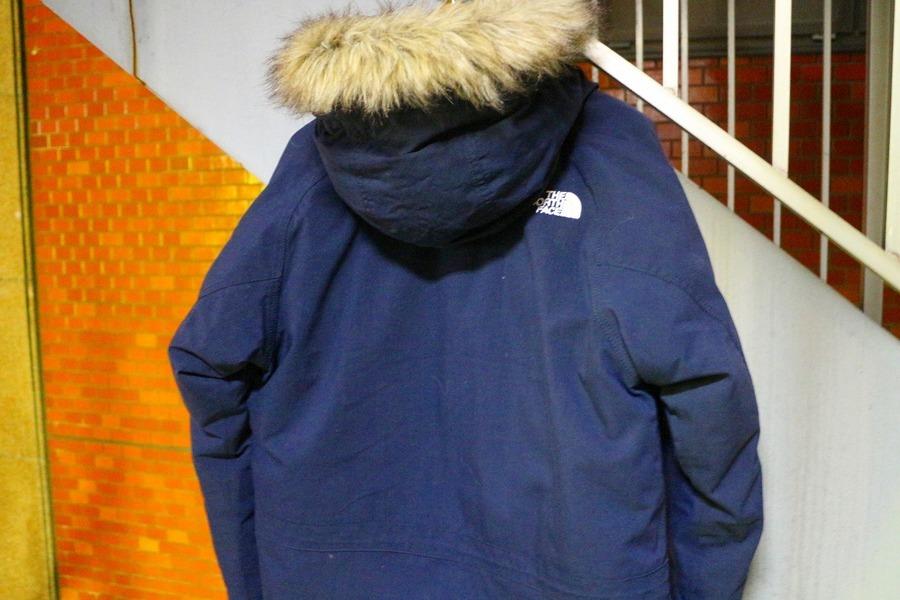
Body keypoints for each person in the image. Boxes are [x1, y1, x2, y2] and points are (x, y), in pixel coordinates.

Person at [167, 1, 764, 598]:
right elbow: (708, 402)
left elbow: (212, 361)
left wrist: (259, 575)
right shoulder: (608, 150)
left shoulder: (315, 163)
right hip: (572, 570)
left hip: (330, 572)